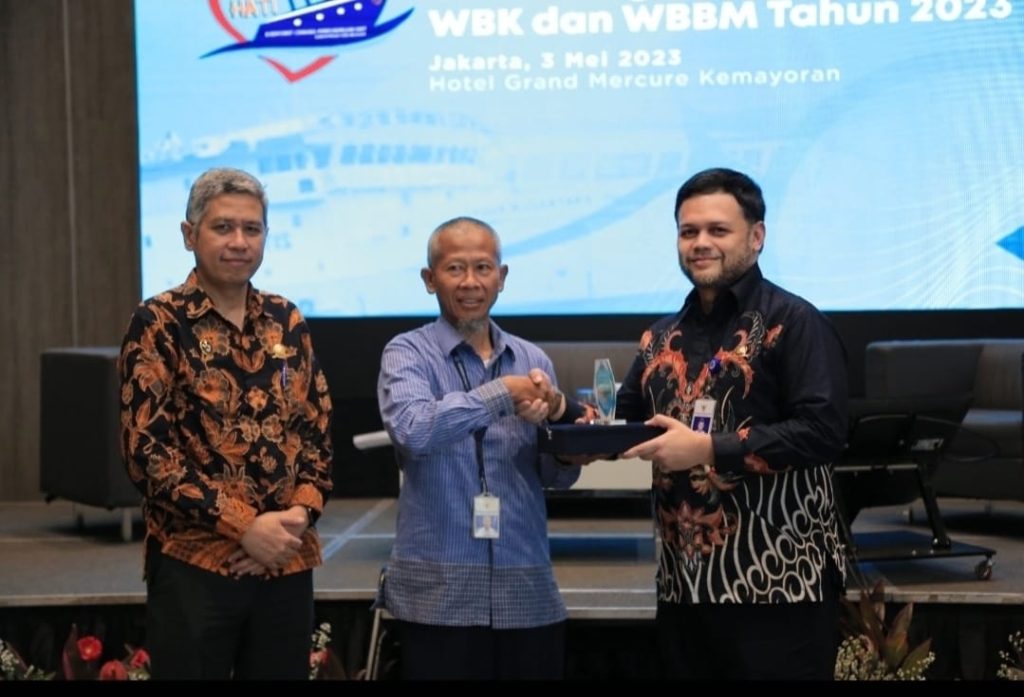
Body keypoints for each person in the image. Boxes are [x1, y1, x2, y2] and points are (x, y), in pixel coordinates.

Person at [617, 168, 848, 680]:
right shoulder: (660, 337)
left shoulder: (795, 322)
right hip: (684, 587)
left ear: (756, 236)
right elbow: (624, 427)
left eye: (718, 230)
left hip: (779, 585)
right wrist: (560, 414)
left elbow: (823, 432)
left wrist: (707, 449)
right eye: (688, 231)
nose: (700, 243)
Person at [119, 167, 334, 679]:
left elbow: (317, 432)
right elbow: (146, 454)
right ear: (189, 234)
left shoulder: (287, 319)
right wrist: (245, 528)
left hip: (284, 561)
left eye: (252, 229)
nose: (239, 242)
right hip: (196, 565)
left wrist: (295, 519)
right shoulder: (158, 322)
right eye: (223, 227)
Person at [376, 216, 585, 680]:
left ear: (502, 277)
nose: (470, 282)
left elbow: (555, 477)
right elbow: (414, 430)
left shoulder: (532, 359)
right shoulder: (406, 353)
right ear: (430, 279)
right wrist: (503, 394)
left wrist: (565, 448)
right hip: (439, 595)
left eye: (483, 268)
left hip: (525, 588)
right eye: (455, 268)